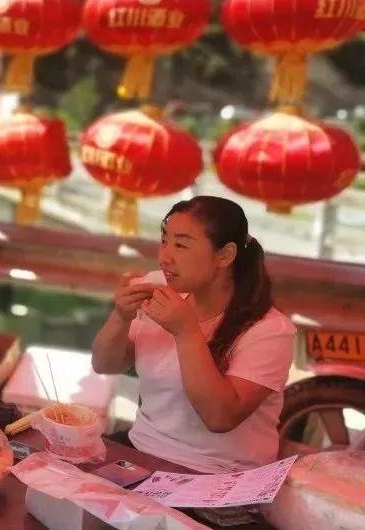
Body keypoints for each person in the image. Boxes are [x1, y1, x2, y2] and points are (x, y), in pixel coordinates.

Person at [92, 196, 296, 473]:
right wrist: (120, 316)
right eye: (164, 241)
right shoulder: (158, 288)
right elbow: (105, 364)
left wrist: (186, 332)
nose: (164, 257)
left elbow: (220, 418)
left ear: (225, 255)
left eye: (181, 245)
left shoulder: (270, 330)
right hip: (142, 450)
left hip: (219, 473)